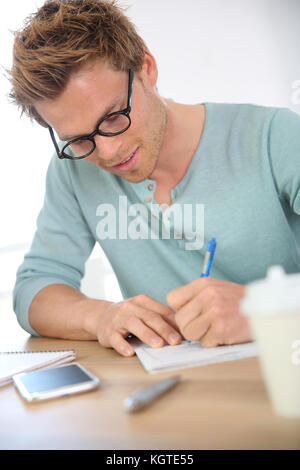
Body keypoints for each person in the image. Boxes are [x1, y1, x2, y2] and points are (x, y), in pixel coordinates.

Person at [10, 0, 300, 357]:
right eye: (80, 138)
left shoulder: (275, 138)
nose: (108, 151)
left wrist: (267, 310)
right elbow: (34, 289)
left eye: (115, 116)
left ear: (146, 68)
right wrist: (100, 316)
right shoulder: (74, 169)